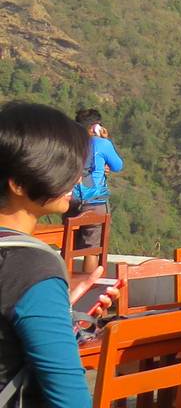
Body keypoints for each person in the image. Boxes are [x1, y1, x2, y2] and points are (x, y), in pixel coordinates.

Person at [0, 102, 118, 408]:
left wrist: (55, 309)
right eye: (62, 168)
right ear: (18, 183)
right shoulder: (34, 267)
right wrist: (43, 295)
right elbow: (69, 398)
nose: (75, 180)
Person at [65, 108, 124, 274]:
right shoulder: (102, 144)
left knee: (68, 245)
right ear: (95, 127)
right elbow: (118, 166)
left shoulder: (69, 142)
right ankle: (89, 289)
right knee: (92, 249)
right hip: (95, 201)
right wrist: (106, 140)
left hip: (69, 199)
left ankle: (66, 286)